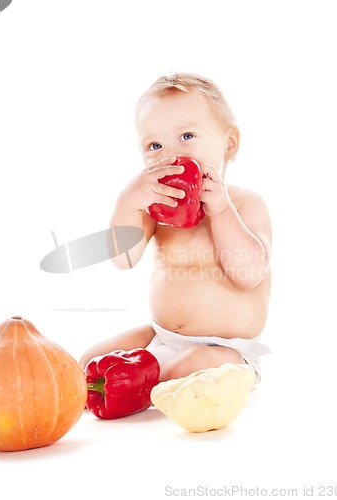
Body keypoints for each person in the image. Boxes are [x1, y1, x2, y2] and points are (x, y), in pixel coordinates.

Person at [80, 72, 272, 383]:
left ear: (229, 144)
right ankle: (115, 386)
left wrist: (221, 210)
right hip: (162, 335)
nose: (171, 154)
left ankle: (140, 387)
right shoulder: (156, 211)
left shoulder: (246, 204)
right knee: (91, 360)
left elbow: (249, 274)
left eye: (186, 137)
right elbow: (123, 259)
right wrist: (128, 202)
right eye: (154, 145)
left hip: (226, 349)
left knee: (189, 365)